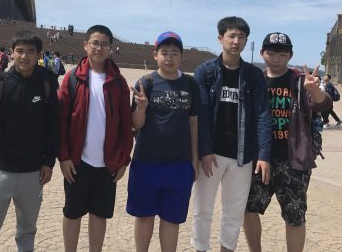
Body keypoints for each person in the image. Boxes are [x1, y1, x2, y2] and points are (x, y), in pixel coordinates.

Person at [243, 32, 331, 252]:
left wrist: (315, 91)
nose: (276, 59)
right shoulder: (255, 80)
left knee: (295, 215)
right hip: (260, 158)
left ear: (290, 55)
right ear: (262, 53)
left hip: (293, 160)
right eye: (271, 53)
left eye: (282, 54)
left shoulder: (299, 81)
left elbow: (322, 104)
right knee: (248, 208)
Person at [191, 16, 271, 252]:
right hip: (212, 154)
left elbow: (263, 114)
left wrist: (263, 155)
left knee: (234, 212)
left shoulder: (253, 75)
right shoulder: (205, 71)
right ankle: (200, 248)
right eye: (232, 36)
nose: (236, 41)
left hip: (242, 155)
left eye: (242, 37)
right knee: (202, 210)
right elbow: (201, 115)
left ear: (246, 41)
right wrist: (204, 151)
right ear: (220, 38)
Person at [0, 31, 59, 251]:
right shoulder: (0, 83)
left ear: (38, 54)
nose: (24, 56)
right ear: (11, 53)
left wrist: (49, 161)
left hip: (33, 171)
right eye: (19, 51)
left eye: (30, 52)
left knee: (27, 230)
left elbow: (53, 125)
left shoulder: (47, 84)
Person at [58, 25, 133, 252]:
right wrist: (64, 157)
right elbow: (61, 120)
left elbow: (125, 124)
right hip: (77, 161)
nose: (99, 48)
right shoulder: (73, 78)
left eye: (104, 44)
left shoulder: (118, 82)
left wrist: (123, 160)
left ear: (111, 48)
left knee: (100, 214)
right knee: (72, 212)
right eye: (95, 43)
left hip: (107, 164)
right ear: (86, 46)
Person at [128, 32, 200, 252]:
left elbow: (193, 123)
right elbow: (136, 124)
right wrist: (141, 108)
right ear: (155, 55)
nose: (169, 58)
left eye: (174, 53)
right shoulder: (146, 83)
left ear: (182, 56)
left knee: (172, 219)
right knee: (144, 216)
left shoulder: (190, 84)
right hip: (146, 162)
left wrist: (194, 160)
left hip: (179, 164)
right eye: (164, 52)